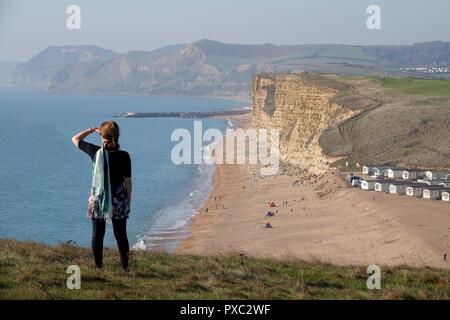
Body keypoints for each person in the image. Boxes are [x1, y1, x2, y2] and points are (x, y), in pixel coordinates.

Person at [72, 121, 132, 271]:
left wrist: (91, 130)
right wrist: (128, 200)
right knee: (121, 235)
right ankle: (125, 268)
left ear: (102, 136)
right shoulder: (124, 156)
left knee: (97, 235)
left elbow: (75, 139)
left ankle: (99, 267)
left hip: (98, 198)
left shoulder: (96, 152)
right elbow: (128, 182)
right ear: (117, 136)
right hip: (118, 199)